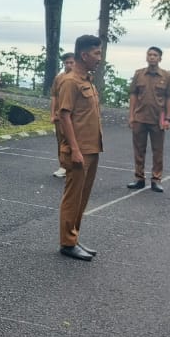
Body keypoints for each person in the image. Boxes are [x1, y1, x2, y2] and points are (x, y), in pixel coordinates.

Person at [55, 34, 103, 262]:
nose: (99, 58)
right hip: (79, 150)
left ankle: (73, 236)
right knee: (73, 197)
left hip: (91, 148)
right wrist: (74, 149)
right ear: (84, 55)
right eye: (96, 53)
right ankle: (67, 242)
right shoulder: (70, 81)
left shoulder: (87, 80)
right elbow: (64, 115)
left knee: (82, 198)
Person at [126, 46, 170, 193]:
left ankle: (156, 179)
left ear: (160, 58)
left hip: (158, 118)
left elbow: (169, 98)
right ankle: (139, 178)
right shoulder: (139, 74)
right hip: (140, 116)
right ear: (147, 57)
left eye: (155, 55)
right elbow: (134, 95)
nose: (152, 57)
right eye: (150, 54)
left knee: (157, 150)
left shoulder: (166, 76)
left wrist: (167, 118)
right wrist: (131, 115)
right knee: (139, 150)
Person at [50, 52, 74, 179]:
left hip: (75, 117)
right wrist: (52, 114)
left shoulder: (79, 78)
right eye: (66, 62)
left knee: (74, 142)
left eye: (71, 62)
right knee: (61, 142)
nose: (69, 65)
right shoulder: (59, 78)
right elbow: (54, 96)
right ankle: (63, 166)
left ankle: (73, 167)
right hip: (61, 115)